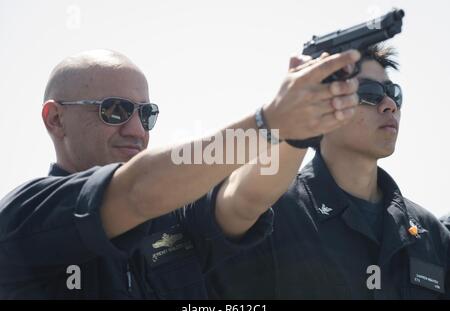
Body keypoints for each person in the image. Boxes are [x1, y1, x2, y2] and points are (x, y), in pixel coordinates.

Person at [0, 49, 360, 298]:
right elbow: (136, 192)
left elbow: (244, 199)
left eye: (146, 113)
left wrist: (295, 133)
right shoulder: (26, 217)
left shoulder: (172, 211)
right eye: (115, 110)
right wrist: (267, 124)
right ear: (55, 119)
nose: (136, 129)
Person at [207, 44, 450, 300]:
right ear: (322, 105)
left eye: (394, 93)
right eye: (370, 93)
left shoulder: (429, 233)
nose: (390, 105)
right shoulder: (272, 216)